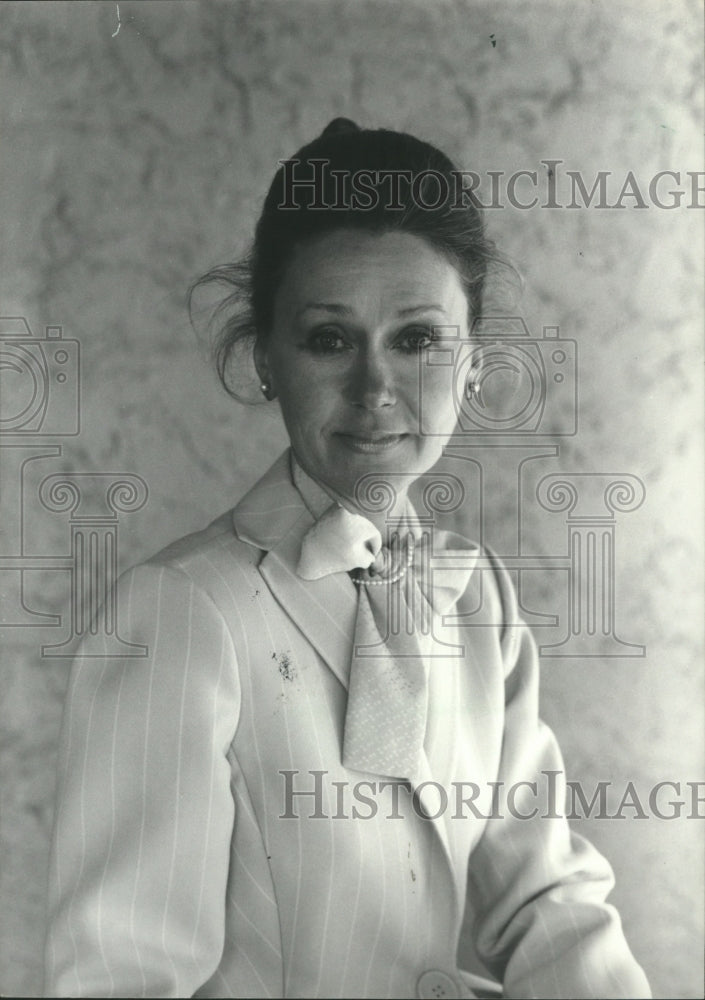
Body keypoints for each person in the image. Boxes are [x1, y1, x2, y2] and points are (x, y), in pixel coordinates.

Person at [44, 119, 651, 999]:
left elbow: (545, 894)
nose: (375, 390)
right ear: (264, 360)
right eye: (329, 340)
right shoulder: (179, 612)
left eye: (415, 341)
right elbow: (117, 978)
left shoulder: (473, 593)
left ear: (473, 364)